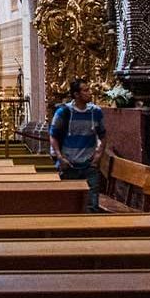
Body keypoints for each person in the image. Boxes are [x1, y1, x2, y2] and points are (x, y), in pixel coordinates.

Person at [49, 78, 107, 212]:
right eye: (85, 90)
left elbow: (103, 136)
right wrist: (60, 157)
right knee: (68, 206)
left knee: (92, 205)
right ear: (76, 94)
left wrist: (98, 156)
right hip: (69, 165)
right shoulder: (64, 112)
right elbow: (53, 136)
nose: (90, 93)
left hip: (89, 165)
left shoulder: (95, 112)